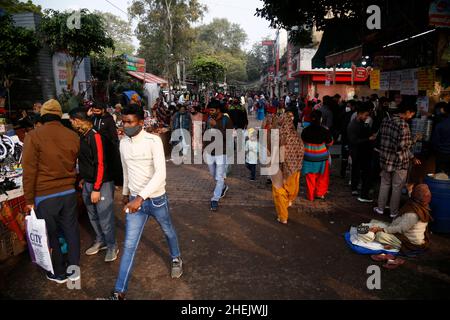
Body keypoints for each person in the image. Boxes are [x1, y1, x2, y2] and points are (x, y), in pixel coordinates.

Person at [109, 104, 183, 300]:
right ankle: (119, 292)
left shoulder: (153, 141)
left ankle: (176, 258)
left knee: (167, 230)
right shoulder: (123, 143)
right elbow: (126, 170)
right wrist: (126, 193)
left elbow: (161, 174)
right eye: (123, 122)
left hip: (156, 199)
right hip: (134, 201)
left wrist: (141, 198)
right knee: (130, 245)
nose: (126, 125)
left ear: (141, 122)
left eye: (130, 122)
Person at [22, 99, 80, 283]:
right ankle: (73, 270)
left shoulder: (33, 135)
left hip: (46, 195)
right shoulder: (72, 135)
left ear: (43, 116)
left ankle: (59, 273)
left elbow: (29, 171)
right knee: (71, 232)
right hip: (69, 193)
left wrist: (29, 199)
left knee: (51, 235)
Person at [69, 108, 118, 263]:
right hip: (89, 183)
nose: (70, 123)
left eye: (71, 120)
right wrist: (84, 178)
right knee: (93, 215)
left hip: (101, 184)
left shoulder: (95, 136)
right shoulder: (82, 136)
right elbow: (86, 161)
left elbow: (100, 163)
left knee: (105, 217)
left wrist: (96, 188)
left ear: (78, 121)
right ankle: (101, 240)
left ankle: (112, 245)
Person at [374, 102, 421, 218]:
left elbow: (381, 138)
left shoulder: (386, 120)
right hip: (399, 161)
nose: (411, 117)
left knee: (384, 184)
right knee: (397, 187)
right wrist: (415, 139)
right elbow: (403, 146)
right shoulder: (403, 125)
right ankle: (393, 212)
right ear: (408, 112)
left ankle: (380, 208)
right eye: (411, 114)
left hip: (385, 158)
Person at [368, 184, 432, 268]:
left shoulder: (413, 214)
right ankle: (389, 252)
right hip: (405, 232)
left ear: (414, 195)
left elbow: (400, 229)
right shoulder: (421, 205)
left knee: (379, 235)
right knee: (375, 222)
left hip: (409, 241)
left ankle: (391, 254)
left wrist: (382, 229)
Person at [271, 112, 304, 224]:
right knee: (292, 188)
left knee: (279, 192)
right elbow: (301, 151)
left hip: (280, 169)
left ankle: (283, 216)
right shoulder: (296, 136)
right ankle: (289, 200)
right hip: (294, 168)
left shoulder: (279, 136)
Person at [204, 100, 234, 211]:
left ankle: (215, 199)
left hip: (222, 152)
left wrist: (216, 126)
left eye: (212, 110)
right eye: (209, 110)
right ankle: (224, 187)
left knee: (219, 176)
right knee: (213, 174)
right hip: (210, 151)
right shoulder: (209, 120)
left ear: (218, 110)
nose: (210, 112)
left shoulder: (227, 120)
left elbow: (229, 137)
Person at [347, 103, 377, 202]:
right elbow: (354, 141)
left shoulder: (362, 123)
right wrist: (369, 138)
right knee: (360, 171)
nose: (367, 117)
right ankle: (360, 192)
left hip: (362, 152)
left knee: (358, 171)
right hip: (358, 152)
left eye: (368, 115)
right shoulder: (353, 125)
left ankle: (356, 188)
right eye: (365, 115)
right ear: (359, 114)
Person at [301, 110, 333, 201]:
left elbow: (303, 142)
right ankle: (319, 194)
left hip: (308, 157)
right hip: (321, 158)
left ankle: (310, 195)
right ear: (321, 119)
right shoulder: (324, 130)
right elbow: (330, 143)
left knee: (310, 177)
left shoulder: (305, 130)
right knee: (322, 176)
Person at [432, 102, 450, 174]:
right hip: (443, 153)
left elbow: (435, 142)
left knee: (440, 176)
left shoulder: (440, 125)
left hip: (442, 154)